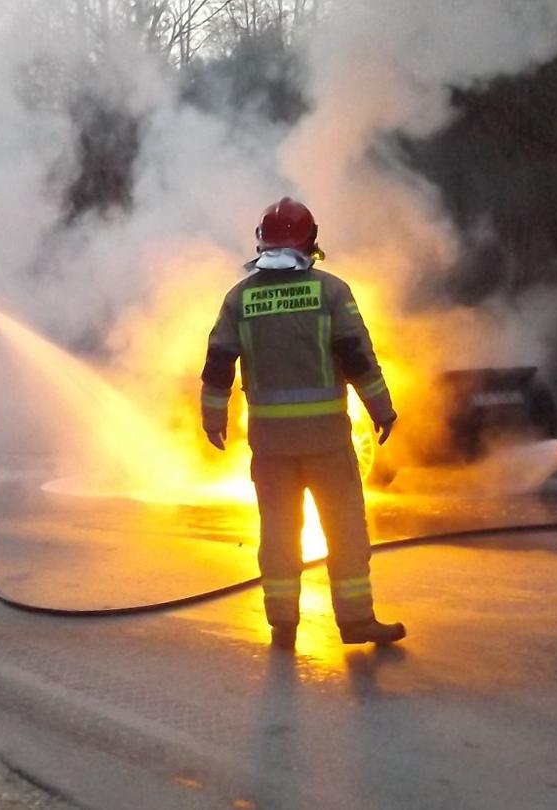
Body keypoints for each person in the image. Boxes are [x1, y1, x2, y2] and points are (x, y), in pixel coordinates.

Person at [200, 197, 405, 649]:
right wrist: (381, 409)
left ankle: (283, 624)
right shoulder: (331, 292)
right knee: (344, 529)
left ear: (261, 243)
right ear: (310, 241)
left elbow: (218, 363)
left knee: (277, 532)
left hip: (270, 444)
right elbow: (357, 358)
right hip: (327, 441)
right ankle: (354, 620)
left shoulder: (239, 298)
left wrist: (213, 417)